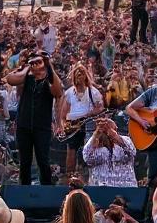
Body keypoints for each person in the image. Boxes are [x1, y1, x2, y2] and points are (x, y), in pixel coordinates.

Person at [6, 51, 64, 185]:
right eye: (34, 62)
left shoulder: (49, 79)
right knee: (24, 161)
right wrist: (27, 67)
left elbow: (57, 91)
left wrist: (49, 66)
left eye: (39, 62)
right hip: (23, 125)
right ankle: (24, 191)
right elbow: (10, 79)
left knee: (43, 160)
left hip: (42, 126)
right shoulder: (26, 77)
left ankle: (46, 190)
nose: (36, 65)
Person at [58, 64, 106, 179]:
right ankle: (70, 177)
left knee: (89, 149)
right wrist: (64, 126)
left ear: (86, 76)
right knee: (71, 150)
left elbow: (101, 108)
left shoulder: (93, 92)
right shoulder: (69, 93)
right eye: (77, 73)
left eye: (82, 73)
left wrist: (88, 114)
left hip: (87, 123)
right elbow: (63, 114)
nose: (79, 75)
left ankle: (89, 177)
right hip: (73, 124)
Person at [82, 117, 137, 187]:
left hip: (126, 187)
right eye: (104, 129)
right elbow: (87, 158)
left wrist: (114, 135)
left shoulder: (125, 140)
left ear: (116, 129)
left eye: (110, 128)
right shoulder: (93, 143)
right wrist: (96, 134)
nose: (107, 131)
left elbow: (132, 152)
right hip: (100, 188)